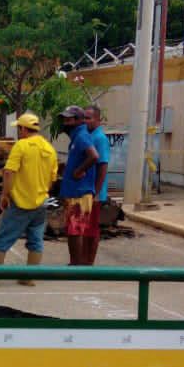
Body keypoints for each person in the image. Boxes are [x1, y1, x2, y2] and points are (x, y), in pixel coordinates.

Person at [0, 112, 57, 287]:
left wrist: (5, 195)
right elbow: (52, 178)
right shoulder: (49, 149)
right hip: (41, 203)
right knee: (36, 240)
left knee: (3, 239)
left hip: (21, 203)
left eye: (18, 128)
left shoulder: (21, 146)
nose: (18, 132)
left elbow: (8, 172)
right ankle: (28, 278)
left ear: (23, 128)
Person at [58, 105, 99, 266]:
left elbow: (94, 156)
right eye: (65, 119)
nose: (65, 123)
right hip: (75, 191)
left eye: (69, 120)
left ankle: (76, 264)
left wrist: (79, 171)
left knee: (75, 229)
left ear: (79, 121)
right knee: (74, 228)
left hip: (79, 191)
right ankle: (76, 262)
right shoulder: (77, 137)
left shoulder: (82, 136)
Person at [83, 104, 110, 265]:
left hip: (94, 192)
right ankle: (82, 260)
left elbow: (103, 165)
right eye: (84, 118)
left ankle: (88, 262)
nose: (86, 121)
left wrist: (96, 192)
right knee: (84, 227)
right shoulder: (88, 135)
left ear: (98, 120)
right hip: (85, 191)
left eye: (89, 118)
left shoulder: (100, 139)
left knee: (92, 229)